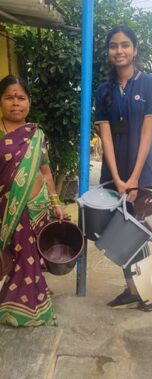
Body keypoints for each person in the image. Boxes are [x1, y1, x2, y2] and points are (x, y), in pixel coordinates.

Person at [94, 25, 152, 311]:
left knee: (136, 231)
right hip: (113, 175)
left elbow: (147, 134)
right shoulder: (103, 90)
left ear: (135, 49)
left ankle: (146, 292)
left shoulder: (149, 84)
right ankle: (132, 288)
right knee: (117, 233)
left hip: (141, 173)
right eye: (113, 46)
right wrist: (117, 178)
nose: (119, 50)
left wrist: (133, 179)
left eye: (125, 45)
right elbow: (105, 135)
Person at [0, 75, 64, 326]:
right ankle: (20, 306)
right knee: (16, 258)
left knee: (31, 258)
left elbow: (45, 172)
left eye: (21, 97)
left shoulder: (37, 134)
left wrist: (56, 203)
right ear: (1, 101)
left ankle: (26, 304)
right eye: (9, 97)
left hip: (37, 208)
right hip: (9, 210)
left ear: (29, 102)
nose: (16, 103)